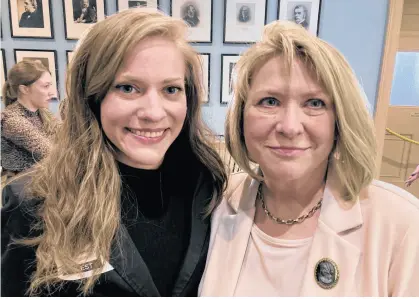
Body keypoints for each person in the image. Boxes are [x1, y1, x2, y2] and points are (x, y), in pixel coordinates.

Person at [1, 8, 227, 297]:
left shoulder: (209, 188)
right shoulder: (33, 202)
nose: (153, 113)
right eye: (128, 88)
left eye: (171, 89)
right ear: (92, 96)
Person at [199, 20, 419, 296]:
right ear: (241, 117)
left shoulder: (403, 224)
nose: (290, 126)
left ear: (340, 120)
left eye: (314, 103)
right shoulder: (214, 203)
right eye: (269, 101)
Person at [1, 60, 59, 179]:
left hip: (42, 184)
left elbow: (66, 137)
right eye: (46, 86)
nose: (52, 92)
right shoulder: (13, 121)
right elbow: (53, 153)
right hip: (23, 190)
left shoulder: (44, 113)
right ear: (24, 89)